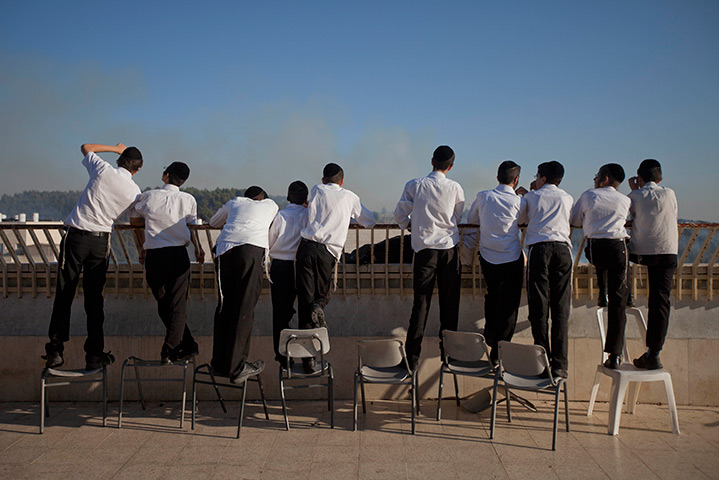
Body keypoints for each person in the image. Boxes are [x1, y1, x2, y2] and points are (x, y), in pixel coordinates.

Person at [44, 143, 142, 370]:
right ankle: (94, 354)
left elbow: (85, 146)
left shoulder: (103, 169)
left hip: (76, 236)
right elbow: (135, 219)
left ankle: (56, 350)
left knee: (65, 291)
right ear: (137, 170)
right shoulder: (134, 191)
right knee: (94, 300)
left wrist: (116, 148)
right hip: (100, 242)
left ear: (120, 161)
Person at [296, 163, 375, 372]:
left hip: (305, 248)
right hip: (327, 252)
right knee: (324, 294)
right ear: (342, 181)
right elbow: (369, 221)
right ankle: (319, 307)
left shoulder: (316, 189)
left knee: (304, 303)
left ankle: (308, 361)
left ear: (323, 180)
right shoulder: (350, 197)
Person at [394, 145, 465, 371]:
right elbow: (457, 216)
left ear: (431, 161)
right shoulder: (455, 187)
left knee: (421, 305)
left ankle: (412, 358)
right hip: (449, 250)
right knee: (449, 305)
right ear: (451, 166)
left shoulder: (415, 184)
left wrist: (410, 227)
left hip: (425, 252)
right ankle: (449, 356)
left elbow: (399, 214)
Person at [130, 162, 204, 364]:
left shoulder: (148, 196)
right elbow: (192, 227)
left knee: (164, 304)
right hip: (179, 254)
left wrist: (141, 249)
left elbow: (135, 222)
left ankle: (171, 348)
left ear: (166, 175)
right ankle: (185, 345)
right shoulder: (188, 199)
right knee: (176, 305)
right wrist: (198, 249)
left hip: (155, 255)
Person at [209, 186, 278, 383]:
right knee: (244, 308)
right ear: (263, 198)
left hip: (225, 250)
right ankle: (237, 366)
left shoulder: (235, 202)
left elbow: (214, 221)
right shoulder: (271, 205)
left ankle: (219, 363)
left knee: (224, 306)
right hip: (251, 251)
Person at [570, 164, 630, 369]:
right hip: (617, 248)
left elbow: (575, 219)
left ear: (604, 178)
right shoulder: (625, 200)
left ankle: (602, 291)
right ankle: (614, 354)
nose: (594, 179)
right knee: (619, 303)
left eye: (596, 176)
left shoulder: (589, 196)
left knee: (602, 264)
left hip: (595, 249)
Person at [518, 161, 573, 379]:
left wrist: (529, 193)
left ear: (541, 177)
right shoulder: (567, 197)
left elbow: (520, 220)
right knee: (561, 309)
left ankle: (542, 362)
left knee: (539, 308)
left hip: (540, 250)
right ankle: (560, 364)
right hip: (562, 250)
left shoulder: (531, 197)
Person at [467, 160, 525, 367]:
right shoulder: (519, 201)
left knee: (493, 296)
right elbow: (526, 220)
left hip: (488, 256)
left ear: (497, 177)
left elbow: (472, 219)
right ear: (516, 180)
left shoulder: (483, 196)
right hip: (511, 257)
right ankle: (500, 350)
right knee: (510, 304)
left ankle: (491, 338)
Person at [627, 159, 678, 369]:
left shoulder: (634, 196)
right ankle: (654, 351)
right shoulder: (670, 193)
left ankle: (626, 294)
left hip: (642, 254)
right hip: (668, 252)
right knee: (660, 301)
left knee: (617, 250)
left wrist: (635, 190)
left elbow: (627, 216)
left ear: (639, 177)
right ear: (660, 178)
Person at [269, 181, 309, 366]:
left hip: (280, 266)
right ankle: (308, 355)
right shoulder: (309, 215)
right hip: (302, 266)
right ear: (305, 199)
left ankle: (283, 355)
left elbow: (270, 241)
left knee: (280, 312)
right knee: (305, 309)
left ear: (287, 197)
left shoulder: (280, 216)